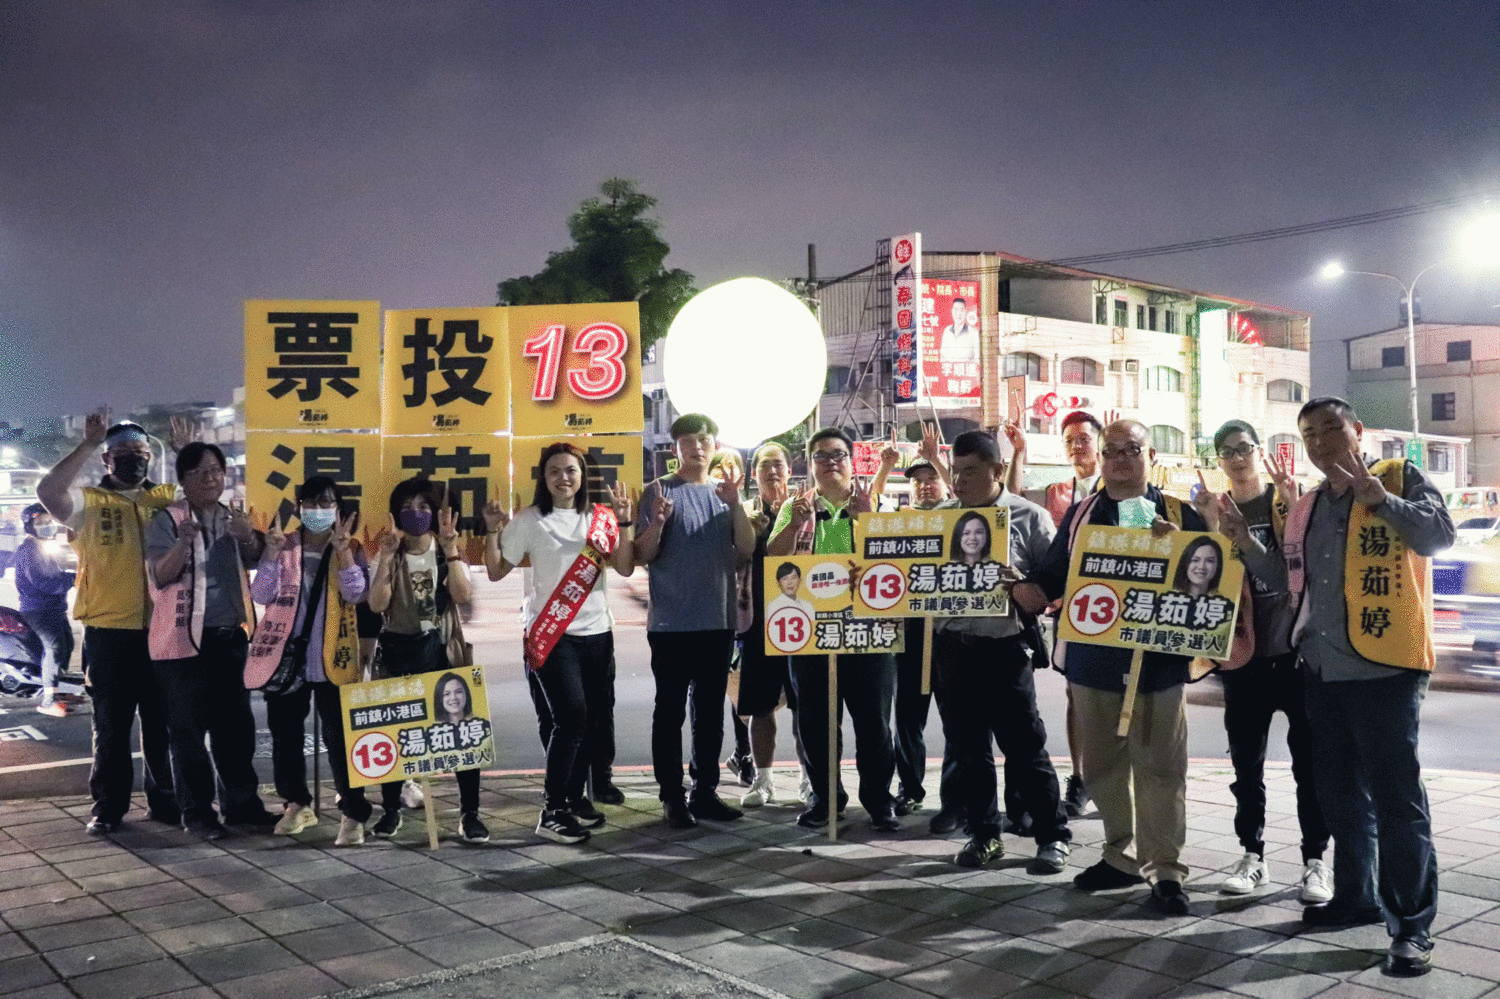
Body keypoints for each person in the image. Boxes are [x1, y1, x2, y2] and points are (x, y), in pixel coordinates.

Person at [1282, 397, 1451, 977]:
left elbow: (1438, 536)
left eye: (1333, 427)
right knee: (1340, 795)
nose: (1323, 441)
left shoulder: (1399, 476)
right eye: (1310, 433)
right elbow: (1291, 582)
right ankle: (1357, 897)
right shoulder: (1306, 506)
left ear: (1357, 431)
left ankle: (1411, 927)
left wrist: (1384, 501)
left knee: (1398, 802)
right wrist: (1238, 538)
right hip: (1323, 670)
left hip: (1386, 670)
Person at [1012, 419, 1207, 915]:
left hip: (1159, 664)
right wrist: (1024, 588)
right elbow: (1054, 576)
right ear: (1100, 459)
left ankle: (1165, 869)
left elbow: (1212, 584)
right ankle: (1121, 855)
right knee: (1101, 766)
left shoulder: (1182, 514)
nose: (1121, 459)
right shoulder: (1080, 516)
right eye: (1112, 451)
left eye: (1133, 450)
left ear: (1152, 457)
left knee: (1162, 769)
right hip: (1093, 662)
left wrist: (1177, 549)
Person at [1200, 420, 1331, 904]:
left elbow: (1304, 567)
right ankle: (1252, 855)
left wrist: (1293, 501)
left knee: (1309, 767)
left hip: (1296, 656)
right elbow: (1201, 575)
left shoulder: (1287, 500)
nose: (1236, 457)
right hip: (1244, 658)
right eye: (1226, 450)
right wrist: (1196, 530)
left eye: (1244, 448)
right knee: (1246, 767)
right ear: (1219, 460)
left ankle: (1315, 862)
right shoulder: (1214, 509)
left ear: (1259, 451)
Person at [929, 430, 1071, 873]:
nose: (959, 481)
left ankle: (1052, 836)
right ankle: (983, 834)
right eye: (955, 471)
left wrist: (1023, 585)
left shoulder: (1029, 517)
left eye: (969, 471)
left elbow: (1053, 584)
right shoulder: (939, 517)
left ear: (996, 470)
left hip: (1006, 650)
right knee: (968, 748)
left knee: (1026, 747)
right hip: (952, 648)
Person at [36, 415, 182, 834]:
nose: (133, 462)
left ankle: (165, 801)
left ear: (150, 458)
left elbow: (203, 495)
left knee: (161, 727)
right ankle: (109, 806)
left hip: (162, 632)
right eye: (123, 455)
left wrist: (178, 451)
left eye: (141, 455)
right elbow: (48, 492)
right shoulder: (88, 503)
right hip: (108, 635)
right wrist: (84, 444)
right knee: (111, 728)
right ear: (106, 460)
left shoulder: (165, 499)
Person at [485, 442, 634, 845]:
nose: (563, 477)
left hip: (597, 631)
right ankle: (552, 810)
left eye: (571, 470)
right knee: (571, 718)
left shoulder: (600, 518)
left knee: (589, 721)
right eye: (554, 471)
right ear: (543, 478)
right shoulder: (531, 520)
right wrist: (492, 531)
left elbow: (624, 567)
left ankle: (570, 800)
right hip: (552, 635)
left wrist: (623, 522)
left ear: (583, 476)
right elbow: (497, 571)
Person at [768, 427, 898, 831]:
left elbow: (895, 559)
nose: (830, 463)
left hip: (868, 633)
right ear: (809, 464)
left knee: (874, 722)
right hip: (810, 635)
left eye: (838, 455)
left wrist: (867, 520)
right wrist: (793, 526)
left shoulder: (876, 503)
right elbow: (773, 558)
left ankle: (879, 801)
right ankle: (827, 800)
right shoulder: (795, 507)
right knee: (816, 723)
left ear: (852, 460)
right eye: (821, 456)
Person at [145, 442, 276, 839]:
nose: (211, 479)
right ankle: (198, 813)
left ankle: (242, 806)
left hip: (229, 638)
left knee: (236, 728)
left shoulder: (233, 517)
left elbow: (257, 561)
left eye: (217, 471)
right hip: (183, 643)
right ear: (183, 480)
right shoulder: (166, 520)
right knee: (187, 734)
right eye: (201, 473)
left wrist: (248, 539)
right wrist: (183, 543)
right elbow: (160, 576)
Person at [632, 414, 756, 829]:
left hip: (718, 621)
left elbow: (746, 546)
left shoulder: (728, 494)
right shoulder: (657, 492)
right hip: (670, 624)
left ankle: (705, 792)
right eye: (688, 441)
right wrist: (660, 522)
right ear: (675, 449)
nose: (697, 447)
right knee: (669, 711)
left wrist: (736, 503)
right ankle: (672, 796)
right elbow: (642, 555)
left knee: (709, 712)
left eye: (705, 440)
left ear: (715, 447)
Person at [249, 477, 370, 846]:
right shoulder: (283, 545)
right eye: (310, 502)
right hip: (288, 660)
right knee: (286, 735)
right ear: (299, 506)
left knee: (340, 737)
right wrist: (268, 555)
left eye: (326, 503)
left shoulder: (352, 547)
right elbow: (261, 594)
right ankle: (296, 803)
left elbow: (357, 593)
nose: (317, 510)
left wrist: (344, 552)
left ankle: (352, 812)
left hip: (334, 657)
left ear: (339, 508)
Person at [367, 476, 487, 844]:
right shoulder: (389, 551)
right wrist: (386, 557)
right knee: (393, 736)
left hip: (444, 651)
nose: (415, 514)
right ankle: (391, 810)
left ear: (437, 513)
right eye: (406, 508)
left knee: (461, 734)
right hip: (398, 656)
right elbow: (376, 604)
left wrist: (452, 551)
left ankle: (469, 814)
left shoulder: (443, 549)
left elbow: (462, 594)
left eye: (423, 507)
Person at [1013, 409, 1105, 820]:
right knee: (1075, 692)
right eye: (1069, 440)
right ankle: (1081, 778)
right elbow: (1011, 502)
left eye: (1083, 438)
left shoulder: (1123, 492)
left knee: (1117, 697)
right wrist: (1018, 453)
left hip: (1114, 608)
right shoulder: (1059, 492)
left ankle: (1113, 777)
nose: (1076, 447)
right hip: (1073, 607)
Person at [733, 442, 808, 809]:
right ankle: (763, 780)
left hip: (803, 624)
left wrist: (793, 521)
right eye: (765, 467)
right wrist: (749, 532)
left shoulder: (809, 510)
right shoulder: (744, 513)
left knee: (805, 707)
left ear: (790, 471)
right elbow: (730, 564)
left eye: (778, 465)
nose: (772, 472)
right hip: (757, 625)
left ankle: (810, 779)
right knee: (760, 708)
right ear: (754, 475)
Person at [710, 449, 756, 791]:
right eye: (717, 470)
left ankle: (746, 753)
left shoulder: (748, 510)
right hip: (713, 614)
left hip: (748, 615)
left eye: (732, 470)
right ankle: (743, 753)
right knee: (733, 691)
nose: (725, 476)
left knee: (753, 692)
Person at [14, 503, 76, 717]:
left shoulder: (44, 546)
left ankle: (59, 689)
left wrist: (70, 576)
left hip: (55, 608)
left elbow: (57, 573)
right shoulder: (28, 549)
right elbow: (43, 582)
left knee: (68, 644)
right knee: (56, 648)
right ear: (29, 525)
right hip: (39, 610)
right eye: (41, 522)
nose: (47, 526)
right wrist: (73, 579)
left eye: (49, 522)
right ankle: (49, 700)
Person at [939, 297, 978, 365]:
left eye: (961, 310)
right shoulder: (947, 331)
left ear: (965, 311)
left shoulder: (973, 332)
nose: (958, 314)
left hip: (966, 372)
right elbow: (942, 355)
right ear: (952, 311)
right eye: (956, 310)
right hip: (948, 372)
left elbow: (977, 359)